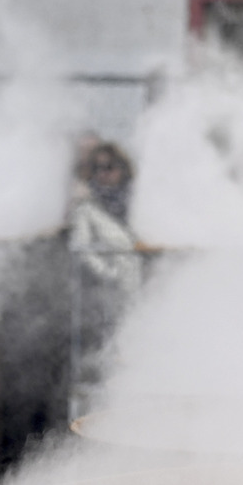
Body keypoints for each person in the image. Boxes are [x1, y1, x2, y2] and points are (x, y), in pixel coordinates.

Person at [68, 140, 143, 415]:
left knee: (134, 350)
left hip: (135, 293)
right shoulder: (87, 209)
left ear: (123, 169)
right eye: (97, 168)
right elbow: (82, 250)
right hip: (102, 299)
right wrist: (109, 273)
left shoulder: (135, 205)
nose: (103, 174)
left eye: (110, 167)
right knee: (106, 356)